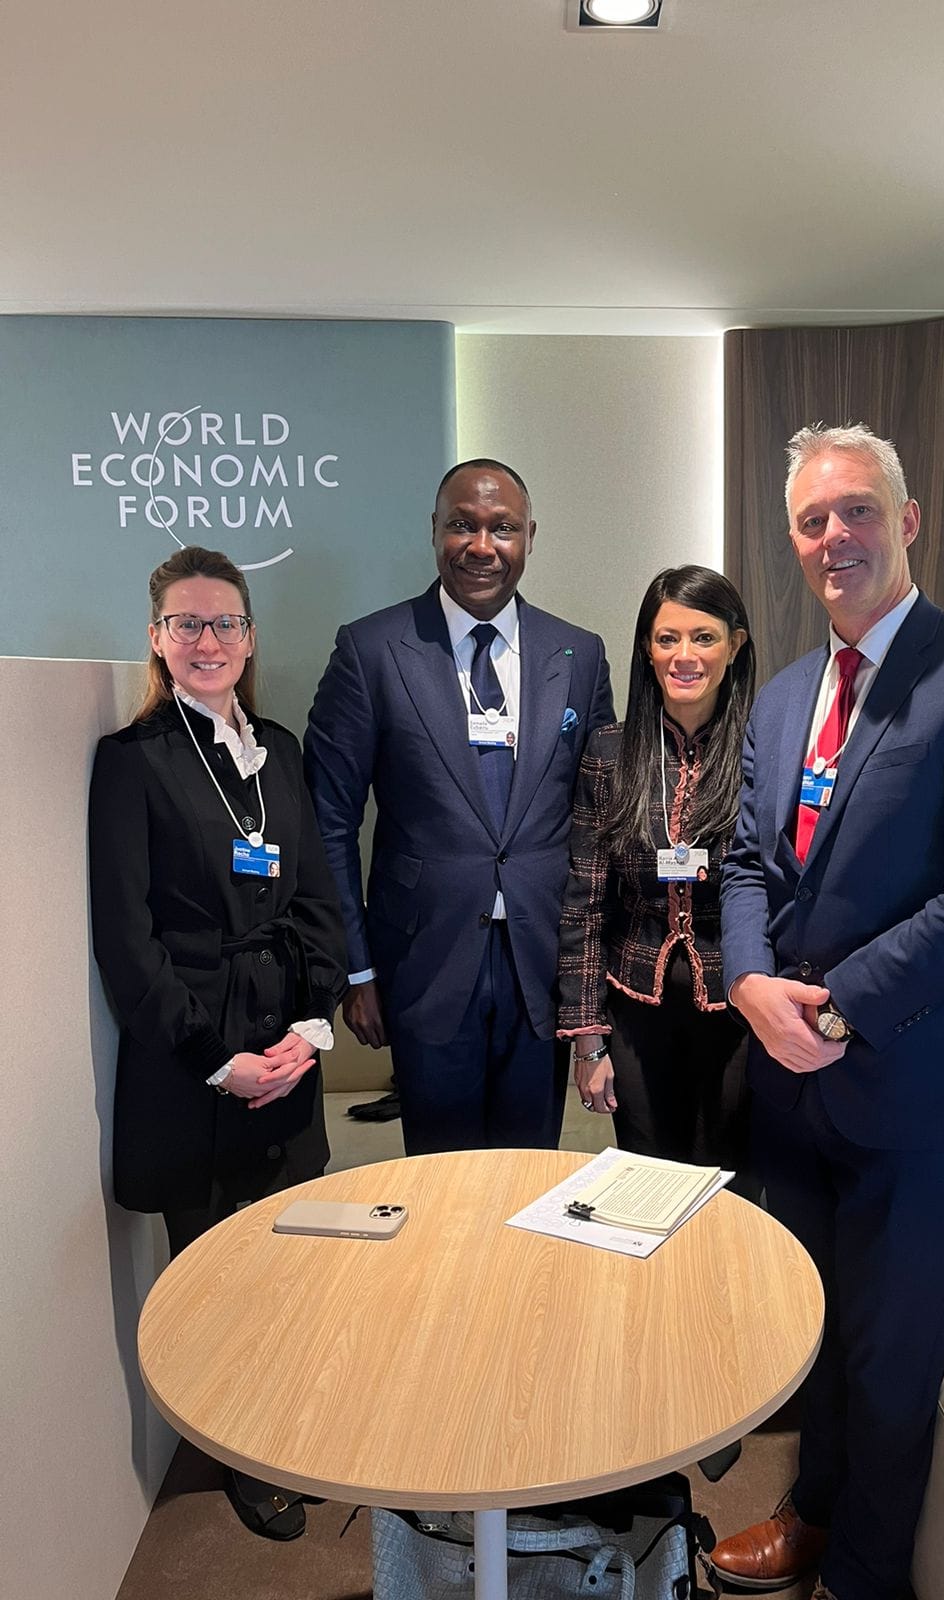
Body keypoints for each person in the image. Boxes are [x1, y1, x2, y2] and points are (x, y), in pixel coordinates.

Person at [712, 424, 944, 1600]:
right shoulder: (783, 698)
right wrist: (751, 986)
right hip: (791, 1079)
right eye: (812, 520)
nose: (835, 537)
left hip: (916, 1082)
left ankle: (865, 1577)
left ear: (907, 520)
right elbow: (748, 866)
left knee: (892, 1351)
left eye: (857, 510)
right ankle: (814, 1513)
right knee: (814, 1326)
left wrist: (838, 1011)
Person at [89, 545, 347, 1543]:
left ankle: (295, 1418)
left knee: (291, 1251)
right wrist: (216, 1059)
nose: (208, 641)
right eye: (187, 624)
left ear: (249, 637)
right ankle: (240, 1450)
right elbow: (128, 942)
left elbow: (317, 896)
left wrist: (310, 1029)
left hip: (284, 1038)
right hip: (190, 1053)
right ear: (157, 638)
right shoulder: (132, 760)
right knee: (210, 1273)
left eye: (225, 623)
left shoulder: (278, 747)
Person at [304, 458, 613, 1153]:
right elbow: (328, 820)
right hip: (424, 961)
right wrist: (357, 969)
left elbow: (596, 825)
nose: (481, 546)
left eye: (502, 528)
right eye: (462, 525)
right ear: (434, 530)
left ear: (529, 536)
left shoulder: (579, 654)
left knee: (529, 1168)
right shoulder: (370, 650)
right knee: (440, 1176)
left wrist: (589, 982)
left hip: (541, 962)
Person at [557, 566, 755, 1179]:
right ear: (647, 648)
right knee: (646, 1176)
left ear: (735, 646)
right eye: (667, 638)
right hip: (635, 1006)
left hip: (740, 1006)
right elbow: (585, 901)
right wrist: (587, 1037)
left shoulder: (763, 747)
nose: (684, 655)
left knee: (731, 1178)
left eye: (704, 637)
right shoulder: (609, 751)